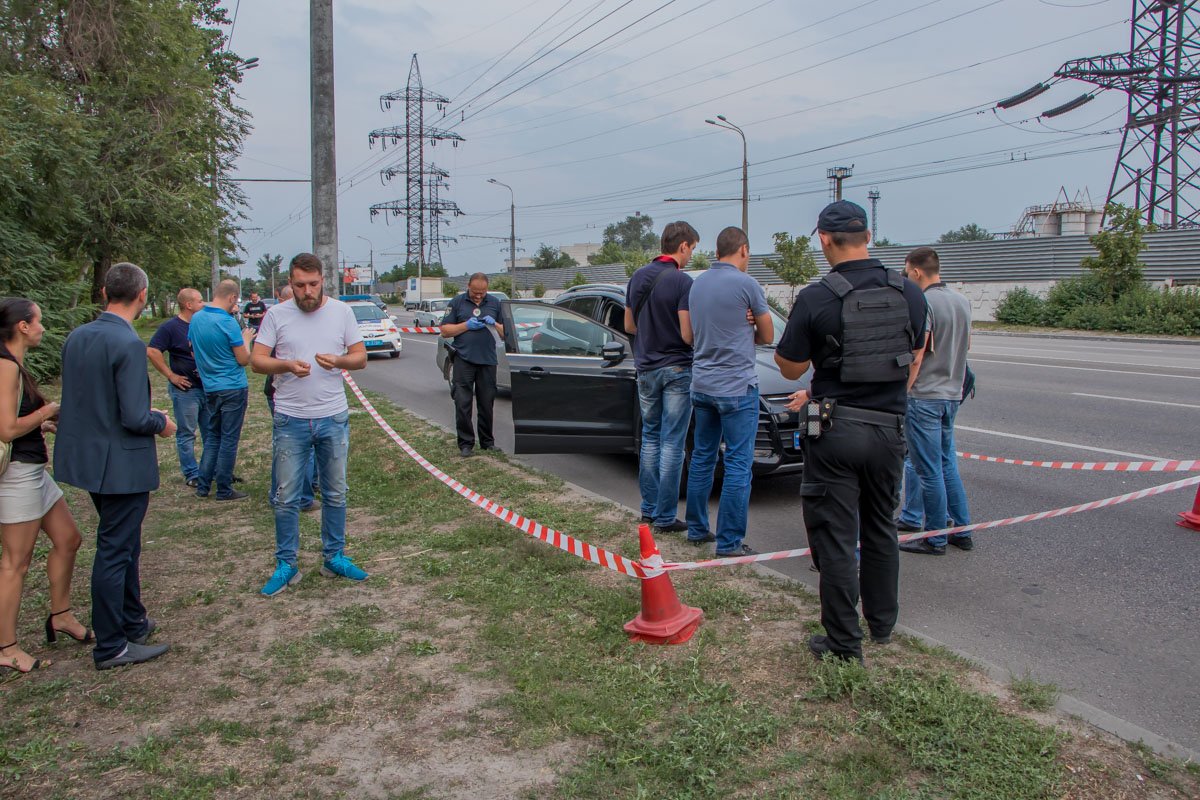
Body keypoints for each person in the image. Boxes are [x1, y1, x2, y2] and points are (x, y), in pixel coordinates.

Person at [774, 201, 927, 664]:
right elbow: (916, 354)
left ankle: (843, 643)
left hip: (836, 428)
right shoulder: (910, 292)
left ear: (823, 238)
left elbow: (790, 366)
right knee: (881, 527)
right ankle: (882, 624)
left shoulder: (818, 297)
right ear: (868, 234)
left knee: (836, 537)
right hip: (889, 430)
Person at [54, 263, 175, 670]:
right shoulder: (126, 343)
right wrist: (162, 422)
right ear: (142, 295)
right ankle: (112, 645)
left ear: (105, 291)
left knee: (123, 545)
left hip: (89, 458)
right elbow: (134, 417)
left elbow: (89, 398)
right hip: (119, 463)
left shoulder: (78, 336)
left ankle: (132, 621)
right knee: (115, 550)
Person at [252, 252, 369, 597]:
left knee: (336, 492)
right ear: (290, 283)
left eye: (313, 284)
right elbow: (257, 361)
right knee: (286, 496)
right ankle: (286, 564)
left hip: (332, 417)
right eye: (300, 285)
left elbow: (360, 357)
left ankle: (334, 556)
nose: (307, 291)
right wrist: (286, 365)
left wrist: (339, 360)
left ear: (323, 282)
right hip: (290, 419)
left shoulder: (342, 312)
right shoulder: (276, 315)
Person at [0, 299, 92, 674]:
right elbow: (5, 429)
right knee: (15, 563)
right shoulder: (5, 366)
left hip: (35, 472)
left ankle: (61, 615)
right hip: (17, 475)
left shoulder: (15, 362)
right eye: (39, 321)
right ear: (23, 326)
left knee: (69, 539)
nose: (43, 327)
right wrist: (48, 410)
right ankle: (6, 646)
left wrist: (40, 424)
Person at [684, 227, 773, 557]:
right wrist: (748, 323)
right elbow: (767, 334)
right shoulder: (747, 284)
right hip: (737, 387)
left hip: (703, 385)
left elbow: (691, 335)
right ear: (744, 251)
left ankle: (696, 529)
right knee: (738, 464)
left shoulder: (697, 285)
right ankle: (729, 543)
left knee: (703, 458)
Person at [896, 247, 974, 555]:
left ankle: (936, 537)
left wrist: (904, 390)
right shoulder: (962, 301)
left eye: (907, 272)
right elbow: (966, 346)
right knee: (946, 464)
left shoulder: (924, 302)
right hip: (952, 394)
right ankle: (962, 530)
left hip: (925, 395)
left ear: (916, 272)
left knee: (927, 470)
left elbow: (918, 352)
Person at [624, 221, 699, 535]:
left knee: (650, 440)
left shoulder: (638, 277)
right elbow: (687, 333)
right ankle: (666, 517)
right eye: (693, 248)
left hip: (646, 368)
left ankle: (648, 510)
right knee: (673, 444)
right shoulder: (682, 282)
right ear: (682, 246)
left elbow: (629, 326)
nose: (693, 255)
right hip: (677, 369)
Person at [189, 279, 254, 501]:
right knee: (228, 439)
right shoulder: (227, 323)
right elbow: (243, 359)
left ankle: (203, 485)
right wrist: (246, 340)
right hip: (233, 386)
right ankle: (224, 489)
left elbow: (192, 350)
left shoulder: (196, 318)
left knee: (213, 437)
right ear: (232, 298)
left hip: (210, 387)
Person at [147, 288, 209, 487]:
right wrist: (171, 375)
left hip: (208, 388)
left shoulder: (203, 324)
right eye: (200, 301)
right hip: (187, 391)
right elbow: (152, 350)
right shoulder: (171, 327)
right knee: (187, 433)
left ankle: (211, 470)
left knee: (211, 431)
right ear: (189, 305)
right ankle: (192, 473)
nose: (203, 304)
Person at [439, 273, 504, 457]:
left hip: (488, 361)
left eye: (482, 292)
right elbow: (444, 330)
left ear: (487, 288)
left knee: (486, 403)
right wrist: (466, 325)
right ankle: (466, 444)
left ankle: (487, 442)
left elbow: (506, 333)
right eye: (475, 292)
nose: (478, 296)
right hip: (463, 360)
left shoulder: (495, 303)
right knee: (462, 403)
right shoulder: (457, 302)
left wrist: (496, 324)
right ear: (468, 286)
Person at [264, 285, 317, 512]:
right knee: (297, 448)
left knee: (285, 447)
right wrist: (289, 365)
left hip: (291, 394)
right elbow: (258, 359)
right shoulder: (277, 321)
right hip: (285, 395)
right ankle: (301, 496)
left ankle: (288, 491)